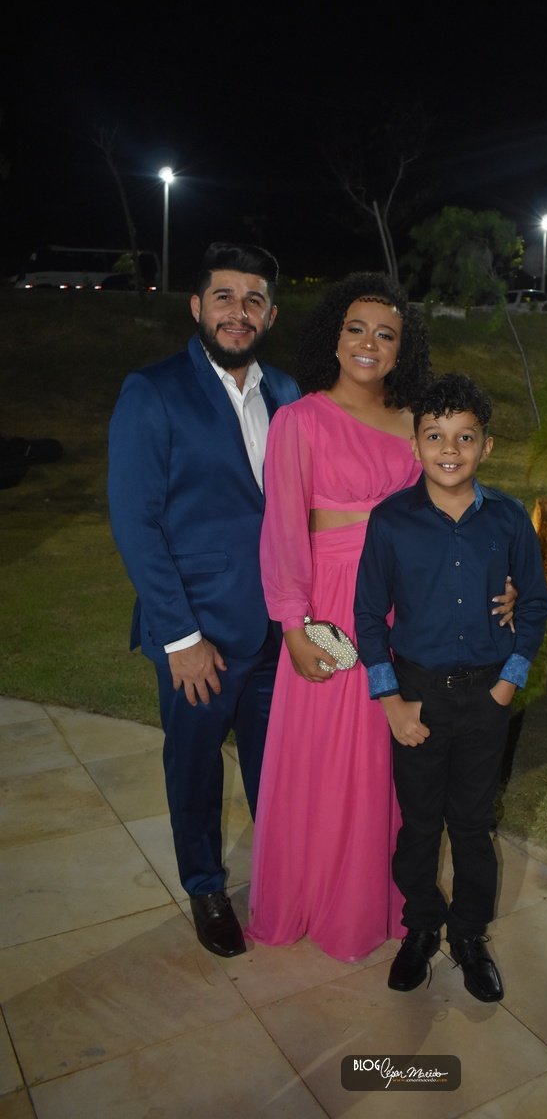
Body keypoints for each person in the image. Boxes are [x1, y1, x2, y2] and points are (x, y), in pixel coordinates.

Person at [246, 275, 517, 962]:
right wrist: (292, 624)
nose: (369, 343)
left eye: (386, 333)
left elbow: (463, 507)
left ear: (403, 349)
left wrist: (503, 583)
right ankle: (329, 903)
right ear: (334, 337)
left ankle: (398, 905)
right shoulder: (300, 420)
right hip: (334, 607)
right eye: (356, 328)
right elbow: (282, 530)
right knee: (329, 763)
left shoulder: (416, 422)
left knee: (397, 762)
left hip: (414, 608)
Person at [108, 242, 300, 958]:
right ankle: (205, 886)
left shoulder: (288, 393)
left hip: (277, 631)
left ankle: (281, 877)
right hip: (201, 634)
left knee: (277, 767)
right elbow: (136, 522)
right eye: (223, 297)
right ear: (196, 306)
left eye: (253, 300)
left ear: (271, 314)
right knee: (194, 767)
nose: (238, 312)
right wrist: (180, 638)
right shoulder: (152, 391)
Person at [354, 373, 547, 1002]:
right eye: (435, 435)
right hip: (418, 695)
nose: (449, 449)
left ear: (486, 446)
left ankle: (469, 935)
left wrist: (508, 684)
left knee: (471, 825)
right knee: (418, 825)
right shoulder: (391, 521)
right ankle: (420, 927)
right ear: (414, 443)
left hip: (486, 697)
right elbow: (367, 616)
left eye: (465, 437)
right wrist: (392, 701)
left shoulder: (510, 519)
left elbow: (536, 602)